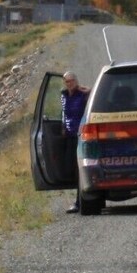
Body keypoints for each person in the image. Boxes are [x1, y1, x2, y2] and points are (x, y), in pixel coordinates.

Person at [59, 72, 91, 214]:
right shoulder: (64, 95)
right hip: (69, 136)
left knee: (79, 170)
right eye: (67, 81)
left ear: (76, 81)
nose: (69, 83)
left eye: (72, 81)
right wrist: (62, 128)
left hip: (81, 136)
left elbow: (92, 101)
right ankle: (79, 198)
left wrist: (87, 91)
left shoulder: (82, 94)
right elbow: (64, 114)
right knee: (68, 168)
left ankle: (80, 201)